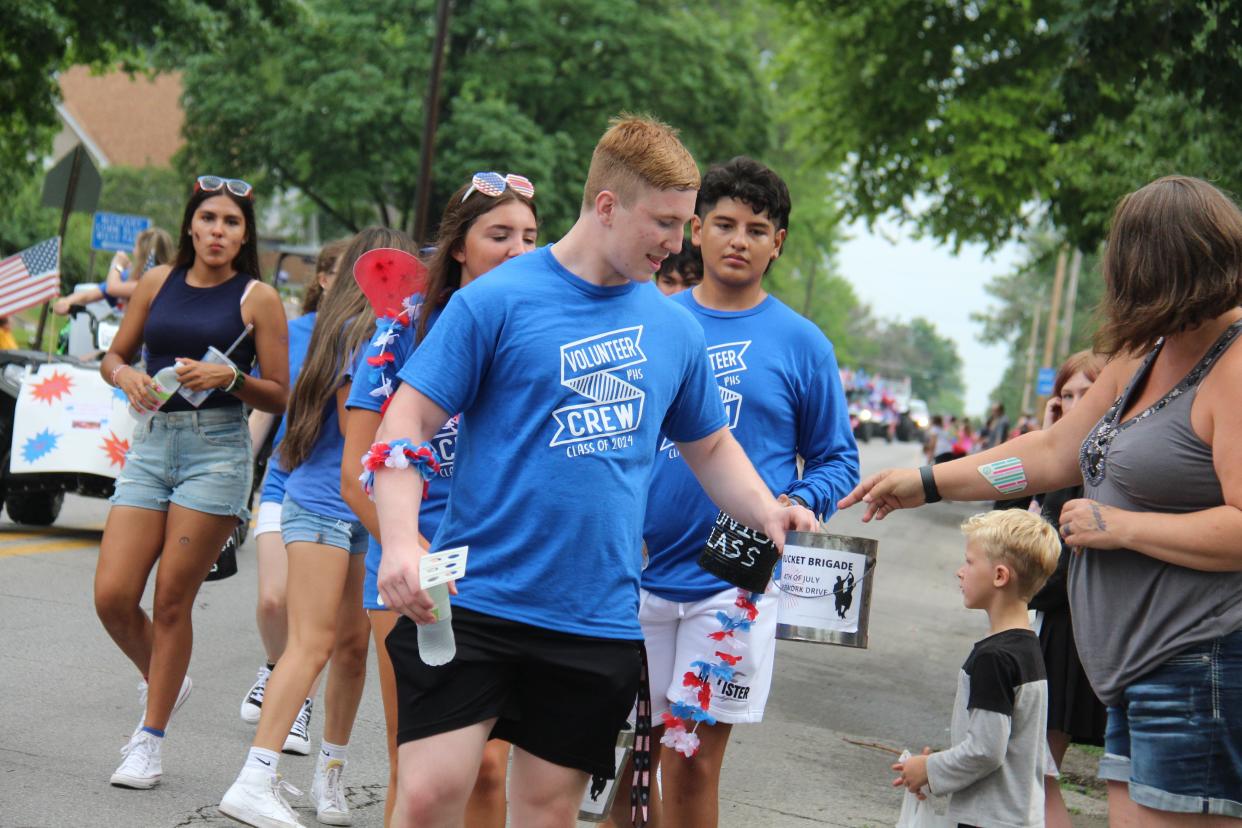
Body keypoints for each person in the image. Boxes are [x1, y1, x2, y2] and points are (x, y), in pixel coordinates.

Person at [369, 116, 818, 828]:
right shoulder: (498, 299)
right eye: (665, 223)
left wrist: (767, 509)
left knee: (547, 816)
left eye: (685, 223)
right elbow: (405, 424)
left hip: (596, 618)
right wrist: (399, 540)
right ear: (607, 206)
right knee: (427, 798)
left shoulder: (674, 328)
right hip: (477, 601)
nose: (679, 244)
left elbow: (710, 447)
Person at [843, 175, 1242, 821]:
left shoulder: (1234, 363)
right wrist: (927, 482)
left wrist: (1123, 527)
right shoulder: (1148, 354)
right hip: (1139, 669)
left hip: (1201, 667)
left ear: (1168, 268)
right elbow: (1053, 453)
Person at [623, 156, 859, 827]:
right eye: (723, 223)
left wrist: (799, 502)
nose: (738, 239)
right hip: (631, 566)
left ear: (777, 242)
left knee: (689, 756)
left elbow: (838, 458)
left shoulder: (803, 344)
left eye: (757, 228)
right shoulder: (652, 321)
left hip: (734, 574)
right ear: (695, 231)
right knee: (629, 758)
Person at [340, 174, 539, 827]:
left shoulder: (537, 331)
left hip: (501, 575)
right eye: (499, 234)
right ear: (460, 246)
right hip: (407, 576)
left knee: (488, 771)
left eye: (531, 237)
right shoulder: (400, 333)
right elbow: (356, 472)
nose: (518, 249)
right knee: (420, 768)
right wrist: (407, 550)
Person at [96, 175, 289, 789]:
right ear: (190, 224)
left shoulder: (258, 298)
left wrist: (229, 378)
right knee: (112, 595)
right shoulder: (157, 282)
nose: (218, 231)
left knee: (171, 601)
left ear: (244, 235)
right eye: (209, 218)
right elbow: (114, 355)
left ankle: (148, 743)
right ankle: (167, 680)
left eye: (231, 223)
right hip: (152, 446)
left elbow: (280, 393)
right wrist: (125, 377)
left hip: (216, 454)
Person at [220, 228, 412, 828]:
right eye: (396, 271)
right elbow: (360, 438)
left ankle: (330, 777)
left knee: (352, 649)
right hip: (329, 503)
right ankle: (255, 777)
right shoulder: (361, 339)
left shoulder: (372, 332)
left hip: (358, 509)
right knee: (311, 644)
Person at [240, 238, 348, 755]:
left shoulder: (373, 339)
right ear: (323, 279)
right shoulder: (293, 333)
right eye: (346, 274)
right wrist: (240, 474)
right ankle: (274, 668)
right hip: (285, 479)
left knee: (322, 628)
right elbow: (267, 407)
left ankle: (294, 699)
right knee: (272, 599)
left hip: (340, 497)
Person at [892, 509, 1060, 826]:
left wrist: (928, 769)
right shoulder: (1026, 646)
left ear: (1000, 576)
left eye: (969, 562)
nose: (960, 571)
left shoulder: (994, 658)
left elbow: (985, 751)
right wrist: (936, 764)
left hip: (990, 818)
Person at [1026, 350, 1107, 828]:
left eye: (1087, 393)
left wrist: (1017, 592)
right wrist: (1045, 435)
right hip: (1054, 632)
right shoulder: (1064, 457)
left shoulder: (1096, 465)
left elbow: (1052, 565)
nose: (1075, 405)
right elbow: (1007, 524)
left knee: (1036, 773)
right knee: (1036, 772)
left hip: (1072, 637)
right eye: (1066, 395)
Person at [54, 227, 175, 314]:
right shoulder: (128, 277)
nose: (133, 252)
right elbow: (90, 294)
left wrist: (117, 265)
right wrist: (67, 301)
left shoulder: (161, 283)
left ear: (144, 255)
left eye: (135, 248)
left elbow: (112, 288)